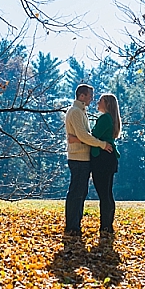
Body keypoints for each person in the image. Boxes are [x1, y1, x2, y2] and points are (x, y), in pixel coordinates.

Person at [63, 84, 112, 238]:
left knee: (80, 192)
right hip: (78, 158)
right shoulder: (76, 112)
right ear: (82, 96)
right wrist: (102, 144)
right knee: (76, 192)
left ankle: (75, 225)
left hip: (83, 157)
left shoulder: (81, 112)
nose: (92, 99)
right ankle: (72, 226)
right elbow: (85, 136)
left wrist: (76, 139)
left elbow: (82, 136)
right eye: (90, 95)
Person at [89, 93, 121, 237]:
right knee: (107, 193)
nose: (97, 102)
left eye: (100, 101)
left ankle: (105, 226)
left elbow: (94, 135)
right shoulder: (111, 119)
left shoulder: (104, 118)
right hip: (109, 158)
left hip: (102, 159)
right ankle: (108, 225)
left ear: (107, 104)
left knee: (103, 194)